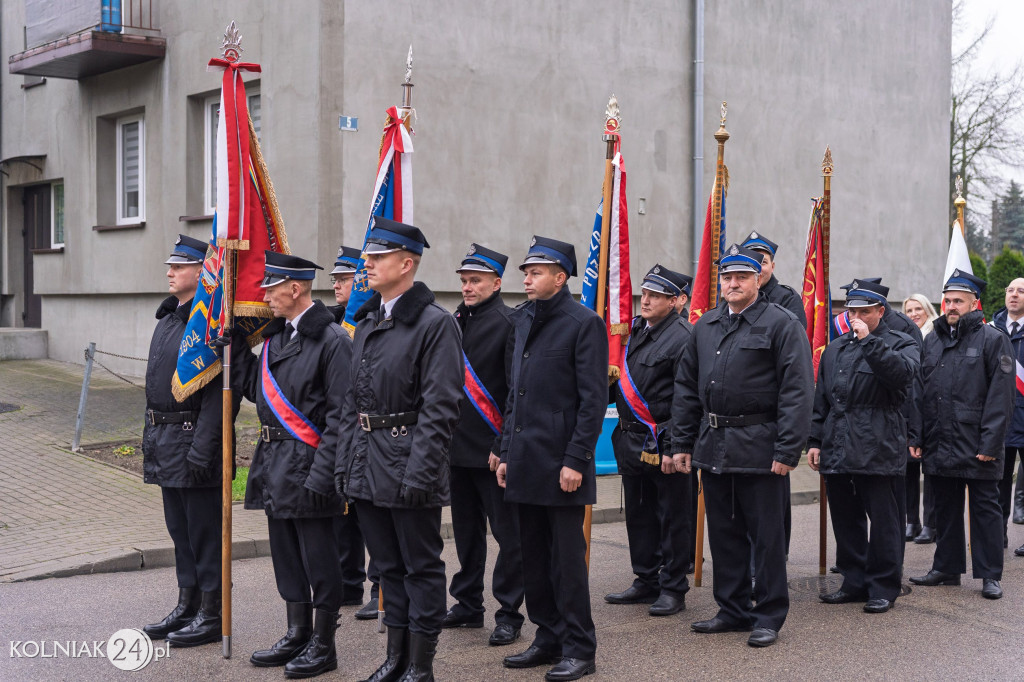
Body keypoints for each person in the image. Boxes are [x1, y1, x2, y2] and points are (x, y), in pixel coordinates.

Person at [336, 217, 464, 682]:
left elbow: (441, 406)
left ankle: (420, 665)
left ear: (407, 263)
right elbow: (353, 400)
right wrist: (345, 464)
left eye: (378, 256)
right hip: (369, 461)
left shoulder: (435, 325)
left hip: (409, 459)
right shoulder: (369, 320)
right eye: (367, 256)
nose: (366, 263)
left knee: (420, 566)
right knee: (386, 567)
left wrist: (420, 472)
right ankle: (395, 658)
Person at [670, 243, 813, 648]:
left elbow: (798, 391)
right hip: (714, 444)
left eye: (742, 277)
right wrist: (681, 441)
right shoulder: (706, 325)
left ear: (757, 278)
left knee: (766, 538)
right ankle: (731, 609)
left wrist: (788, 451)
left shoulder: (781, 323)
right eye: (727, 277)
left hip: (761, 447)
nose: (733, 284)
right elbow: (686, 388)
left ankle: (768, 615)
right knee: (724, 533)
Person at [232, 251, 351, 678]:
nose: (264, 295)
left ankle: (323, 643)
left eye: (271, 287)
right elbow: (255, 390)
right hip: (275, 464)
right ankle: (296, 632)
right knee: (286, 555)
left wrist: (324, 473)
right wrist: (236, 349)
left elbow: (342, 415)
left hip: (310, 465)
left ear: (295, 288)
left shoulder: (333, 341)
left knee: (320, 558)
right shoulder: (274, 340)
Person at [496, 236, 606, 681]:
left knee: (566, 561)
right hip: (524, 460)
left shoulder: (583, 323)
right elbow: (513, 396)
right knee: (532, 557)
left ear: (560, 278)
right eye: (526, 271)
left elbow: (592, 399)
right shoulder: (522, 320)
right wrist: (505, 452)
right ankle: (547, 636)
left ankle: (579, 647)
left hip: (562, 463)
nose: (527, 278)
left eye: (535, 272)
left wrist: (577, 459)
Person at [142, 235, 238, 648]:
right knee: (179, 531)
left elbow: (219, 396)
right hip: (165, 440)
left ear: (203, 273)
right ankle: (187, 604)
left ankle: (212, 613)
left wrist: (204, 447)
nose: (170, 272)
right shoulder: (168, 320)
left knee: (203, 532)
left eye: (179, 267)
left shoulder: (209, 325)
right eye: (170, 266)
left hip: (191, 440)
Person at [808, 279, 918, 614]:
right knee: (846, 518)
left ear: (880, 312)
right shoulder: (836, 348)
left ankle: (884, 585)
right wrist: (814, 440)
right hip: (838, 441)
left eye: (863, 311)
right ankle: (854, 581)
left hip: (878, 441)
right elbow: (822, 399)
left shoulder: (901, 342)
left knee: (884, 521)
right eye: (851, 309)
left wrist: (869, 341)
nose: (854, 316)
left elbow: (900, 377)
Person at [909, 270, 1014, 600]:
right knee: (945, 509)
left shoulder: (993, 339)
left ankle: (989, 575)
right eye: (948, 300)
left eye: (958, 300)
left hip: (977, 442)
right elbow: (921, 392)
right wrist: (918, 436)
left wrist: (991, 442)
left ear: (974, 303)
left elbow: (1001, 397)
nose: (951, 306)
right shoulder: (933, 339)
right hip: (940, 440)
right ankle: (947, 568)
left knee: (985, 510)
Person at [443, 244, 526, 645]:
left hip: (492, 452)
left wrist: (503, 444)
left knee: (508, 537)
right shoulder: (455, 321)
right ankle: (468, 603)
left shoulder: (511, 323)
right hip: (458, 450)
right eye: (463, 280)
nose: (467, 287)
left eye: (475, 280)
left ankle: (509, 611)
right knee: (466, 534)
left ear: (496, 282)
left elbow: (516, 393)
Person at [604, 265, 693, 617]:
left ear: (675, 301)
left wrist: (676, 445)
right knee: (639, 514)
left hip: (663, 442)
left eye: (656, 295)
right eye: (645, 293)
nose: (647, 300)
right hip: (630, 438)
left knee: (672, 517)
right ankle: (646, 579)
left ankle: (673, 586)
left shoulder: (683, 337)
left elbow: (687, 398)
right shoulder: (635, 331)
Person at [325, 244, 381, 616]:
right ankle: (349, 584)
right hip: (345, 427)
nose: (336, 285)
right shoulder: (332, 324)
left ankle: (380, 587)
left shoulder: (368, 319)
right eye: (334, 279)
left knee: (372, 516)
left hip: (373, 430)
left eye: (344, 278)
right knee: (344, 513)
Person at [990, 277, 1024, 556]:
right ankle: (996, 534)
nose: (1014, 295)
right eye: (1010, 290)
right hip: (1001, 421)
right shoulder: (991, 330)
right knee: (997, 483)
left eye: (1021, 291)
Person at [902, 292, 939, 544]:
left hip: (932, 411)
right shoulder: (904, 338)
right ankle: (911, 520)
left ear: (928, 310)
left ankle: (931, 523)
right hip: (908, 412)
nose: (914, 314)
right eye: (909, 310)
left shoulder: (936, 336)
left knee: (932, 472)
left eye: (918, 309)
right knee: (908, 470)